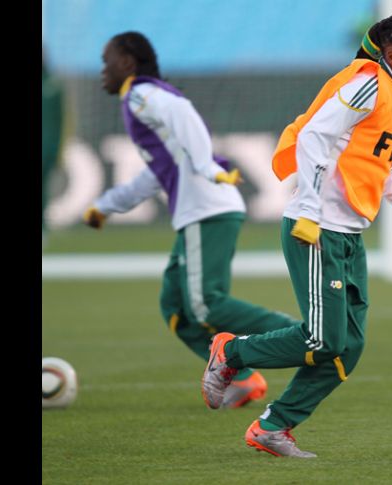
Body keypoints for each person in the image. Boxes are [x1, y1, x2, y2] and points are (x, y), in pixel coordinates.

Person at [200, 14, 392, 458]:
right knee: (324, 340)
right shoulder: (368, 83)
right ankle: (230, 352)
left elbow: (381, 169)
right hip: (316, 230)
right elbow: (314, 136)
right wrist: (310, 210)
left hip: (348, 235)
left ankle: (273, 427)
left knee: (346, 350)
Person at [84, 31, 302, 408]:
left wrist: (207, 165)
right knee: (176, 308)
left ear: (127, 63)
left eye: (107, 62)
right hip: (199, 211)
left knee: (205, 305)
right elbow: (154, 172)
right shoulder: (140, 103)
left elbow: (182, 113)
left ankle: (300, 334)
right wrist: (107, 204)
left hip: (208, 207)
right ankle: (243, 379)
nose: (102, 71)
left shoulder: (142, 94)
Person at [42, 50, 64, 248]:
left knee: (43, 191)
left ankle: (43, 228)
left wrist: (58, 150)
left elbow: (63, 121)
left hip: (47, 149)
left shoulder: (53, 86)